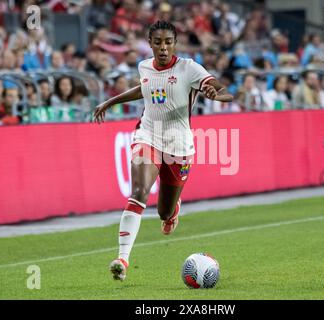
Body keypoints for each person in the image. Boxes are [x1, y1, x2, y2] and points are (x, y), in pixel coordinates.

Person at [93, 21, 233, 281]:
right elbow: (145, 89)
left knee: (163, 211)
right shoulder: (144, 66)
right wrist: (111, 101)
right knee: (139, 193)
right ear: (150, 43)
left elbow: (222, 90)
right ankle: (122, 258)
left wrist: (216, 95)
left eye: (168, 42)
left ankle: (172, 211)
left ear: (175, 43)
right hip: (148, 135)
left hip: (179, 147)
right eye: (157, 42)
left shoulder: (189, 68)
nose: (163, 47)